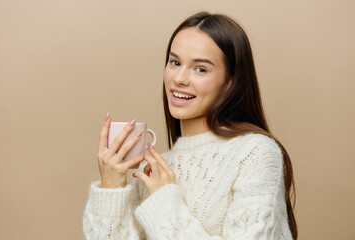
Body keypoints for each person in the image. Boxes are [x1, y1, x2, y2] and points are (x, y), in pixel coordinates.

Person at [83, 11, 298, 240]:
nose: (179, 78)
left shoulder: (255, 153)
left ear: (229, 82)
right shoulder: (153, 173)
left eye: (201, 69)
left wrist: (165, 201)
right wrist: (111, 188)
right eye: (175, 62)